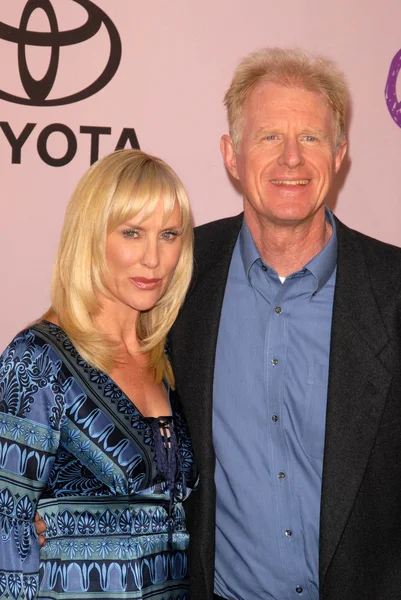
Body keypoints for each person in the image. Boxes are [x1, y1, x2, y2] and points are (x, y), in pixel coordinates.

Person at [168, 48, 401, 599]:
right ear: (232, 154)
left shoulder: (393, 289)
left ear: (340, 154)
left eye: (312, 139)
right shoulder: (177, 274)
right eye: (270, 136)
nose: (291, 159)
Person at [0, 149, 197, 600]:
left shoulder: (172, 359)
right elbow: (7, 532)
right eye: (132, 232)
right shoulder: (38, 359)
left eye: (169, 235)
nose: (153, 258)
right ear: (92, 237)